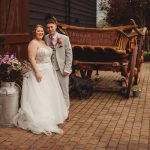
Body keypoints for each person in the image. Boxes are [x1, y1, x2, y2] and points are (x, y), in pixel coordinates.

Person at [12, 25, 68, 135]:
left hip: (49, 71)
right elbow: (31, 58)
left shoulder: (44, 42)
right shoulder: (33, 43)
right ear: (34, 32)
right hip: (40, 71)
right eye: (38, 31)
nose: (41, 32)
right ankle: (41, 118)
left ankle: (51, 116)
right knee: (40, 95)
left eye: (42, 31)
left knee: (48, 95)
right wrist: (37, 72)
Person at [44, 17, 73, 111]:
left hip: (61, 69)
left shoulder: (64, 38)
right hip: (50, 70)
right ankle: (56, 111)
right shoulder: (46, 38)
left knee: (64, 91)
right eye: (48, 28)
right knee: (52, 91)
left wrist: (67, 69)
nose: (50, 29)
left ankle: (66, 111)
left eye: (51, 27)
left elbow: (69, 54)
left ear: (55, 27)